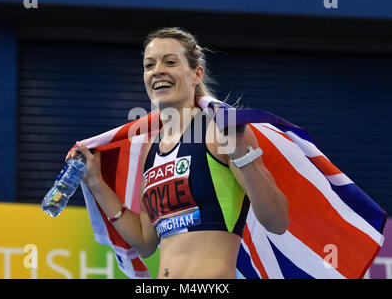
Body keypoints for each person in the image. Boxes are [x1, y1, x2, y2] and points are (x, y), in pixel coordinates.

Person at [66, 27, 289, 279]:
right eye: (149, 65)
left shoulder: (220, 130)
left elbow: (278, 221)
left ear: (197, 74)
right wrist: (96, 183)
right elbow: (145, 242)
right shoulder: (151, 149)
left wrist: (242, 154)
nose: (157, 70)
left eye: (170, 62)